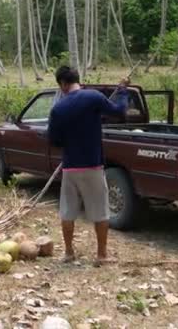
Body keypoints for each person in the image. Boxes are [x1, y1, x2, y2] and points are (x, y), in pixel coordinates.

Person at [47, 66, 128, 267]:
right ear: (76, 80)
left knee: (67, 212)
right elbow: (119, 112)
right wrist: (124, 91)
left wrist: (69, 142)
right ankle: (101, 255)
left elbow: (54, 140)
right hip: (93, 166)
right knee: (100, 211)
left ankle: (68, 253)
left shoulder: (58, 108)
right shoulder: (93, 97)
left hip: (70, 167)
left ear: (63, 84)